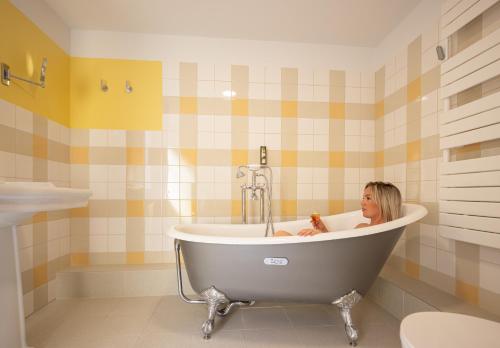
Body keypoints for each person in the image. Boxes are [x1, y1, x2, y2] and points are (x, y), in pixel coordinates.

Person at [274, 181, 402, 237]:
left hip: (328, 265)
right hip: (327, 260)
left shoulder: (378, 233)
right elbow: (342, 250)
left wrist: (320, 237)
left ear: (383, 203)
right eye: (363, 197)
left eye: (368, 198)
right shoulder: (362, 226)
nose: (362, 202)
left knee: (280, 235)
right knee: (280, 234)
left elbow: (349, 257)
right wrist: (323, 231)